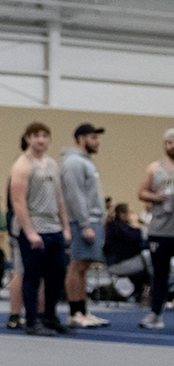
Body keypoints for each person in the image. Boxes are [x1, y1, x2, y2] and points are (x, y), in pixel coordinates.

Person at [10, 121, 72, 336]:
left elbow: (59, 198)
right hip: (33, 228)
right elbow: (18, 201)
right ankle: (31, 320)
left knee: (57, 274)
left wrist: (65, 226)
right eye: (36, 136)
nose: (41, 140)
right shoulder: (22, 165)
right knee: (32, 275)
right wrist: (29, 232)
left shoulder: (52, 164)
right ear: (28, 138)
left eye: (45, 136)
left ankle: (50, 316)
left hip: (53, 227)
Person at [61, 124, 108, 329]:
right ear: (81, 138)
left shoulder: (86, 162)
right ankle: (75, 312)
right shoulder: (73, 163)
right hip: (83, 222)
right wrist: (84, 224)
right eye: (92, 137)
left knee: (84, 266)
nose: (97, 142)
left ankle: (83, 310)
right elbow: (75, 196)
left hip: (92, 220)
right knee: (77, 265)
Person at [137, 127, 174, 330]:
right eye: (169, 142)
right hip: (160, 230)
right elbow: (141, 192)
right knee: (160, 274)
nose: (172, 146)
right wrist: (157, 197)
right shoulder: (155, 168)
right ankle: (155, 314)